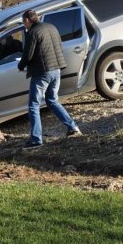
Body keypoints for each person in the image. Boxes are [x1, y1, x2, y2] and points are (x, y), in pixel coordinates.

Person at [17, 9, 81, 148]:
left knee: (33, 105)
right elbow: (58, 46)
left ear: (27, 20)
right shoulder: (52, 27)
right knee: (52, 100)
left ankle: (36, 139)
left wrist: (20, 66)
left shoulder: (32, 33)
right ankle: (73, 127)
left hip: (42, 72)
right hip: (56, 70)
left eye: (23, 22)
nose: (24, 25)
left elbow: (28, 54)